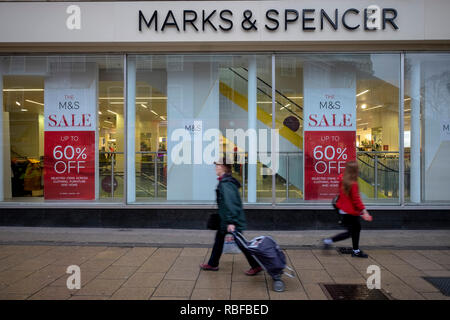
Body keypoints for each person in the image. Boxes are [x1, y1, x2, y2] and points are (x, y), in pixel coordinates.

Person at [200, 158, 262, 275]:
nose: (215, 168)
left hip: (231, 220)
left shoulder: (226, 183)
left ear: (223, 167)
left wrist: (231, 222)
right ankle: (212, 263)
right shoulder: (225, 181)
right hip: (225, 219)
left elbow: (231, 203)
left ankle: (256, 265)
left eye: (217, 165)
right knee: (219, 240)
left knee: (241, 243)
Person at [323, 160, 373, 258]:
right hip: (351, 211)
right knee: (352, 231)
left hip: (342, 209)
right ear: (355, 170)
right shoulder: (353, 183)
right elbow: (356, 200)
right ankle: (329, 241)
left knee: (355, 230)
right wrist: (365, 212)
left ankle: (356, 250)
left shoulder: (342, 178)